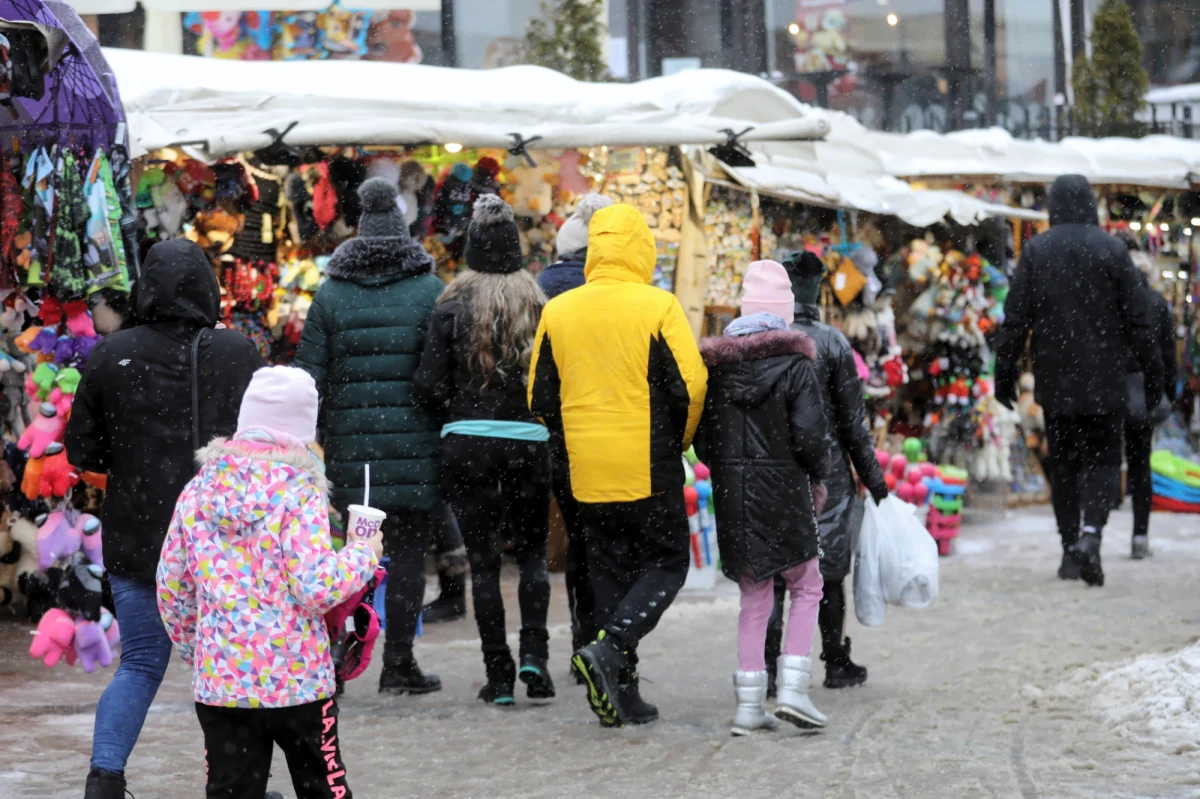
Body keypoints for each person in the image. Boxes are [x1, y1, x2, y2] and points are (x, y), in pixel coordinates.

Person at [65, 238, 263, 799]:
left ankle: (104, 778)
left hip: (142, 535)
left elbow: (81, 451)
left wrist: (130, 458)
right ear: (209, 284)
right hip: (225, 538)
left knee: (142, 662)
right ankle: (235, 785)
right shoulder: (238, 353)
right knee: (234, 666)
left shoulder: (111, 353)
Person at [158, 366, 382, 799]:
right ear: (303, 429)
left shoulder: (198, 489)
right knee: (322, 786)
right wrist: (362, 553)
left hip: (222, 682)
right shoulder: (299, 490)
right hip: (298, 679)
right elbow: (315, 586)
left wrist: (198, 649)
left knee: (231, 790)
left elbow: (172, 586)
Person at [529, 203, 707, 727]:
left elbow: (538, 393)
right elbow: (691, 385)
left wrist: (572, 434)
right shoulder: (658, 306)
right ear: (641, 250)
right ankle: (615, 649)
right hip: (647, 460)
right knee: (667, 562)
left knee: (607, 571)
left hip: (586, 467)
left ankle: (619, 694)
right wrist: (681, 438)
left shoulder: (558, 310)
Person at [295, 177, 444, 695]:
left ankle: (338, 659)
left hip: (352, 454)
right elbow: (443, 370)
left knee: (353, 557)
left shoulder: (331, 295)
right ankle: (399, 663)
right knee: (406, 558)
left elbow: (307, 379)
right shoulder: (430, 289)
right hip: (417, 447)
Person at [414, 195, 554, 704]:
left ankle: (498, 676)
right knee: (534, 554)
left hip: (467, 440)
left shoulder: (450, 306)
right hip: (529, 441)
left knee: (485, 562)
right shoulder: (539, 304)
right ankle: (536, 655)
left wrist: (460, 402)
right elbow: (553, 381)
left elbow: (428, 385)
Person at [995, 175, 1162, 587]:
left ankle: (1070, 550)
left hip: (1055, 376)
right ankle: (1091, 535)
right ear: (1091, 204)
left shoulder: (1037, 250)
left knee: (1065, 464)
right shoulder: (1112, 249)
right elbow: (1140, 321)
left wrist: (1006, 375)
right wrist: (1154, 376)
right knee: (1104, 460)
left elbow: (1015, 320)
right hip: (1106, 378)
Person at [695, 260, 831, 736]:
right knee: (806, 582)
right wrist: (819, 476)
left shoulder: (717, 369)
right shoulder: (797, 366)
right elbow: (811, 438)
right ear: (786, 311)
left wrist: (734, 471)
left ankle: (749, 705)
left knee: (754, 595)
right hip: (786, 492)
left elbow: (704, 443)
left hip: (735, 496)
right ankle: (793, 688)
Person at [762, 252, 889, 692]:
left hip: (774, 472)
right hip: (827, 474)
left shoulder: (762, 340)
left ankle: (770, 671)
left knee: (776, 572)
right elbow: (854, 425)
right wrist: (875, 481)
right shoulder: (834, 343)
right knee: (827, 571)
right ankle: (835, 659)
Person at [536, 192, 613, 657]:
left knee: (576, 539)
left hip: (560, 432)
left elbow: (537, 375)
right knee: (607, 538)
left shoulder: (540, 288)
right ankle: (607, 639)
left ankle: (583, 635)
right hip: (609, 426)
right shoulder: (615, 291)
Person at [1117, 234, 1177, 560]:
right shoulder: (1154, 302)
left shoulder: (1110, 300)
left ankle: (1090, 532)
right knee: (1141, 465)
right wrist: (1165, 392)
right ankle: (1140, 536)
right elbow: (1167, 354)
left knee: (1105, 460)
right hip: (1144, 392)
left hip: (1110, 392)